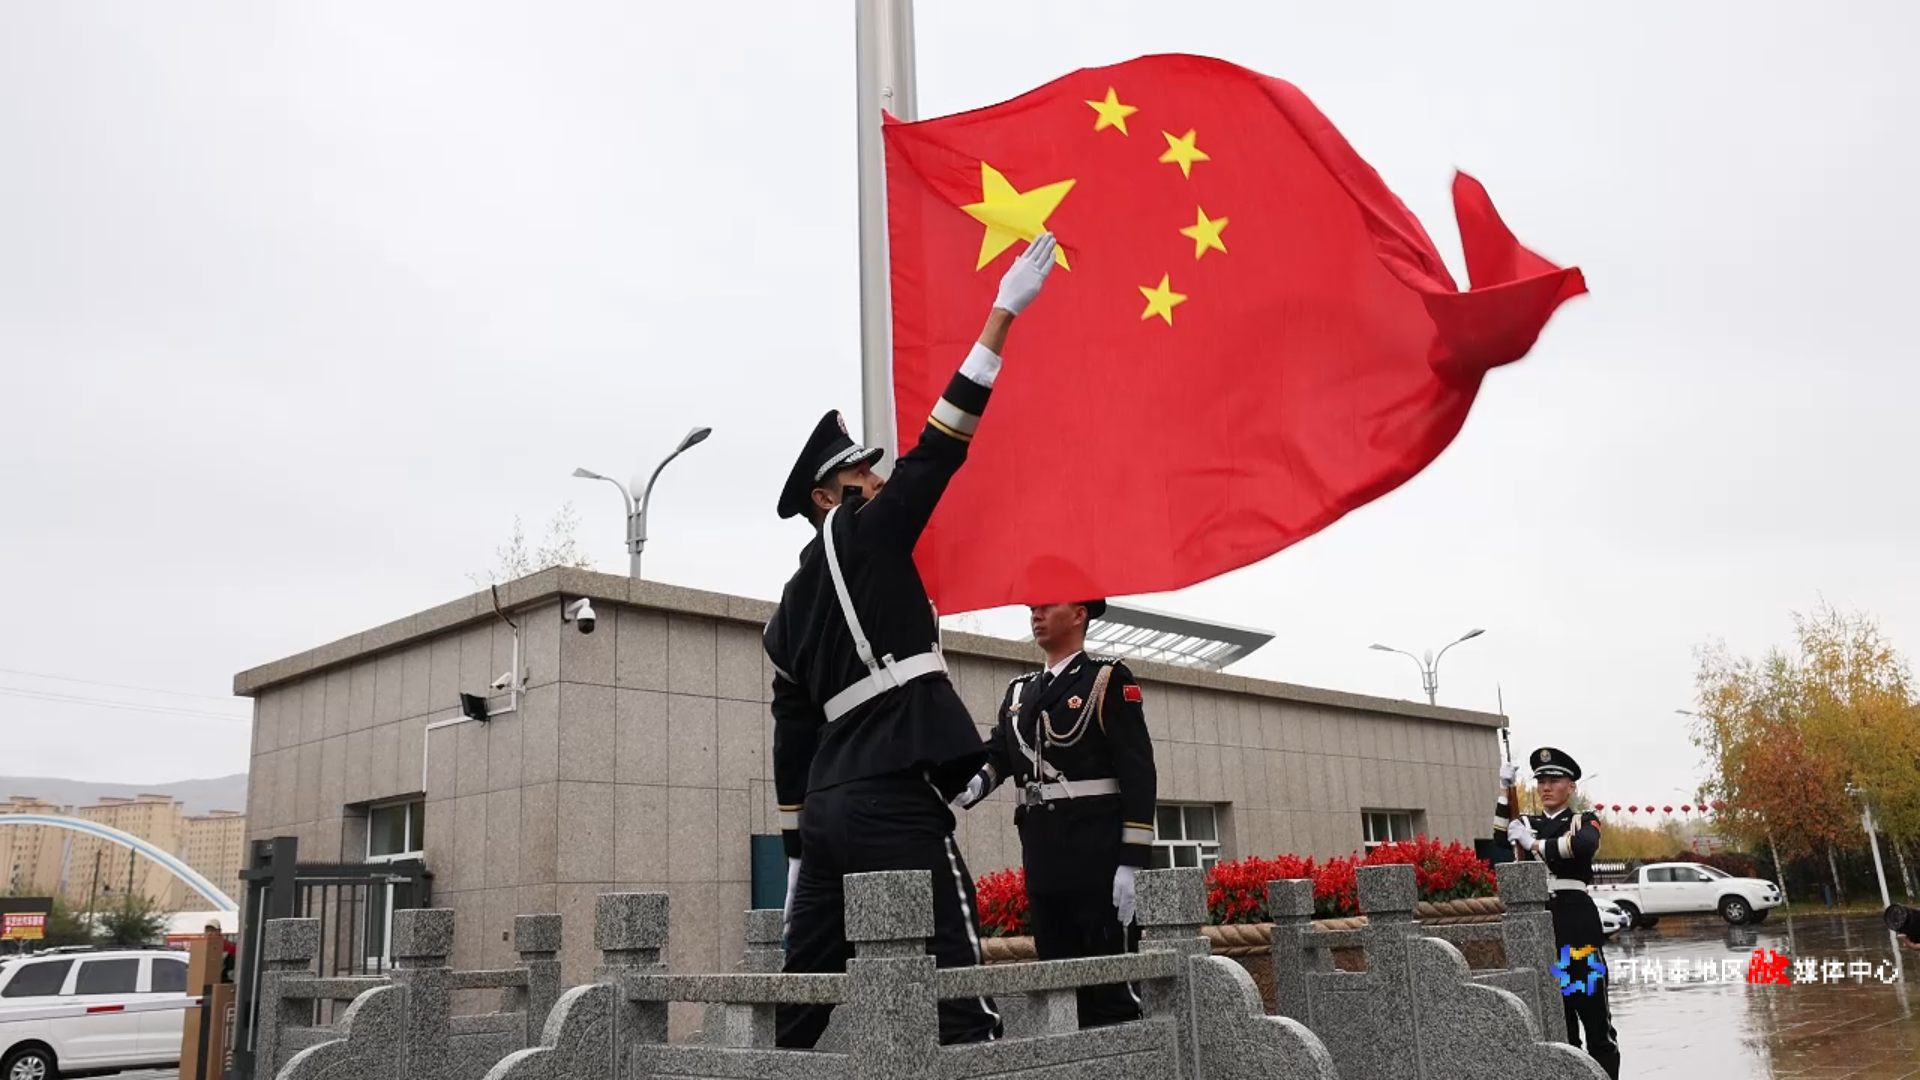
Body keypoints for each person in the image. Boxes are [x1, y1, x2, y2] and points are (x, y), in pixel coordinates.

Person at [763, 232, 1061, 1049]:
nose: (878, 479)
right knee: (959, 996)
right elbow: (942, 447)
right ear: (829, 496)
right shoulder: (865, 533)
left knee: (802, 1008)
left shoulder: (784, 612)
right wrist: (1001, 314)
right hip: (892, 800)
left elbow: (792, 740)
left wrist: (797, 851)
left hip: (827, 811)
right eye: (860, 474)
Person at [954, 599, 1157, 1028]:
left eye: (1047, 605)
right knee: (1057, 984)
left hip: (1098, 857)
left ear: (1079, 614)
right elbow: (1000, 755)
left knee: (1111, 988)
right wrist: (972, 783)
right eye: (1032, 607)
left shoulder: (1107, 679)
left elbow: (1138, 773)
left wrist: (1132, 861)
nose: (1036, 615)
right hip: (1044, 857)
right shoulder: (1020, 691)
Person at [1496, 747, 1619, 1079]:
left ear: (1571, 786)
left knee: (1596, 1026)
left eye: (1554, 780)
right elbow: (1497, 842)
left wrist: (1535, 845)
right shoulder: (1527, 823)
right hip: (1541, 931)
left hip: (1577, 930)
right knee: (1560, 1030)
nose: (1546, 787)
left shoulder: (1582, 820)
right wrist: (1504, 792)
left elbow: (1583, 845)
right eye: (1541, 782)